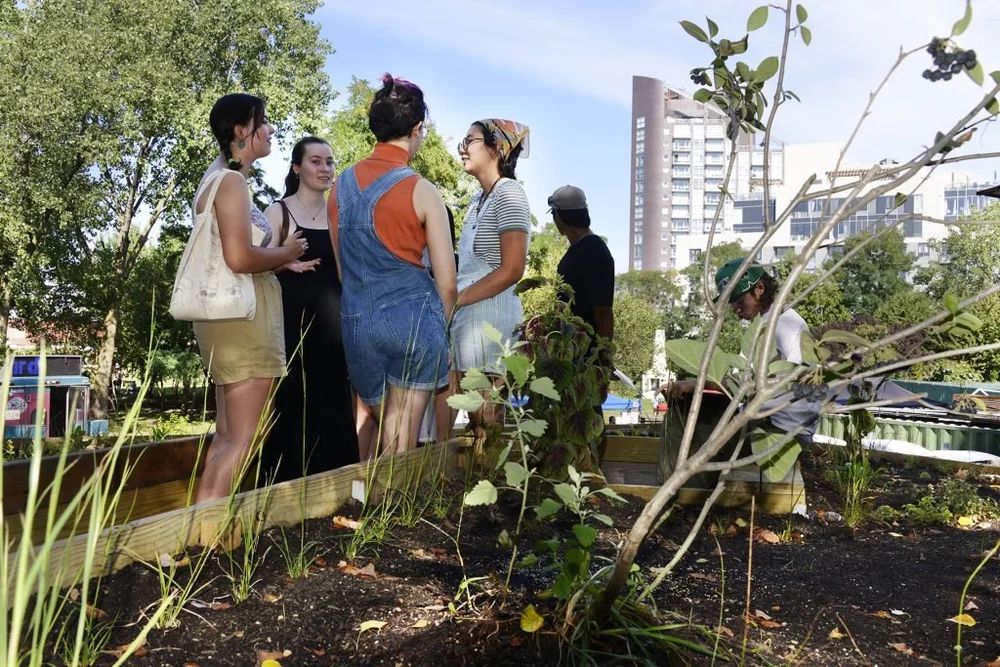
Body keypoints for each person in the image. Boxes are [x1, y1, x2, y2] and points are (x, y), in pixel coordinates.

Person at [329, 74, 457, 458]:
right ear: (416, 129)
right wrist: (440, 328)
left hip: (356, 323)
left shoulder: (340, 186)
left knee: (378, 431)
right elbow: (447, 284)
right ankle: (384, 515)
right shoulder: (422, 190)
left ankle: (365, 509)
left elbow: (341, 271)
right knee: (400, 442)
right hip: (411, 322)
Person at [189, 93, 307, 503]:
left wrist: (277, 261)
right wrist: (287, 252)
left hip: (228, 320)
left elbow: (233, 255)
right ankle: (209, 539)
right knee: (245, 438)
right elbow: (239, 257)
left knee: (227, 437)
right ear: (242, 131)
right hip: (243, 323)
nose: (271, 128)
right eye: (264, 120)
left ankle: (200, 534)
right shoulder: (232, 182)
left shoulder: (218, 176)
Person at [258, 137, 360, 483]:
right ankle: (280, 494)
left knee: (333, 403)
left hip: (334, 332)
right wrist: (285, 261)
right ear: (297, 168)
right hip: (290, 329)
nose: (325, 169)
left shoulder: (341, 216)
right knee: (291, 405)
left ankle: (338, 495)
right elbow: (252, 267)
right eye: (316, 161)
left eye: (330, 162)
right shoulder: (278, 212)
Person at [664, 257, 820, 447]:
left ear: (760, 288)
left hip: (785, 431)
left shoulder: (785, 324)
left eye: (738, 300)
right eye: (731, 303)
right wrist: (692, 384)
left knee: (699, 431)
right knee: (693, 409)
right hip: (765, 422)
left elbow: (803, 379)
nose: (735, 309)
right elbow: (739, 382)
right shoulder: (762, 326)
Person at [445, 119, 531, 442]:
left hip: (490, 328)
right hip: (468, 328)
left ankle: (495, 492)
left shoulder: (509, 193)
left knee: (487, 425)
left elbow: (512, 269)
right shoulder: (476, 201)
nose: (463, 148)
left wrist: (457, 299)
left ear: (496, 148)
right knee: (474, 427)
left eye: (471, 140)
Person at [549, 185, 615, 462]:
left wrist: (604, 354)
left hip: (585, 352)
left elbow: (603, 310)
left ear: (560, 216)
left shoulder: (594, 252)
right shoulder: (581, 250)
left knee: (588, 414)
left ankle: (595, 472)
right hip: (568, 349)